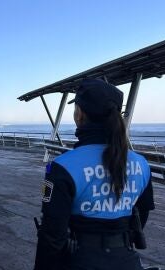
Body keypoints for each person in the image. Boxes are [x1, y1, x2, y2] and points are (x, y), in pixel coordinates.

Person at [34, 79, 155, 270]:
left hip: (80, 261)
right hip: (127, 261)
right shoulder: (141, 164)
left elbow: (52, 235)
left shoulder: (62, 166)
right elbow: (143, 213)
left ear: (79, 114)